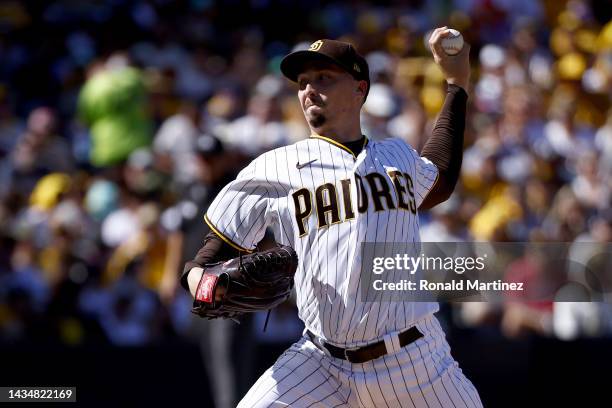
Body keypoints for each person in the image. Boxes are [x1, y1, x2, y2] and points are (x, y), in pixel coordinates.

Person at [182, 28, 483, 407]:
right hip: (321, 362)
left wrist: (457, 84)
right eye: (303, 82)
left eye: (324, 78)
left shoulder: (396, 156)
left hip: (415, 358)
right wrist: (206, 285)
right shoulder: (274, 168)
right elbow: (201, 263)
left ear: (360, 89)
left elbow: (439, 176)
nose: (309, 89)